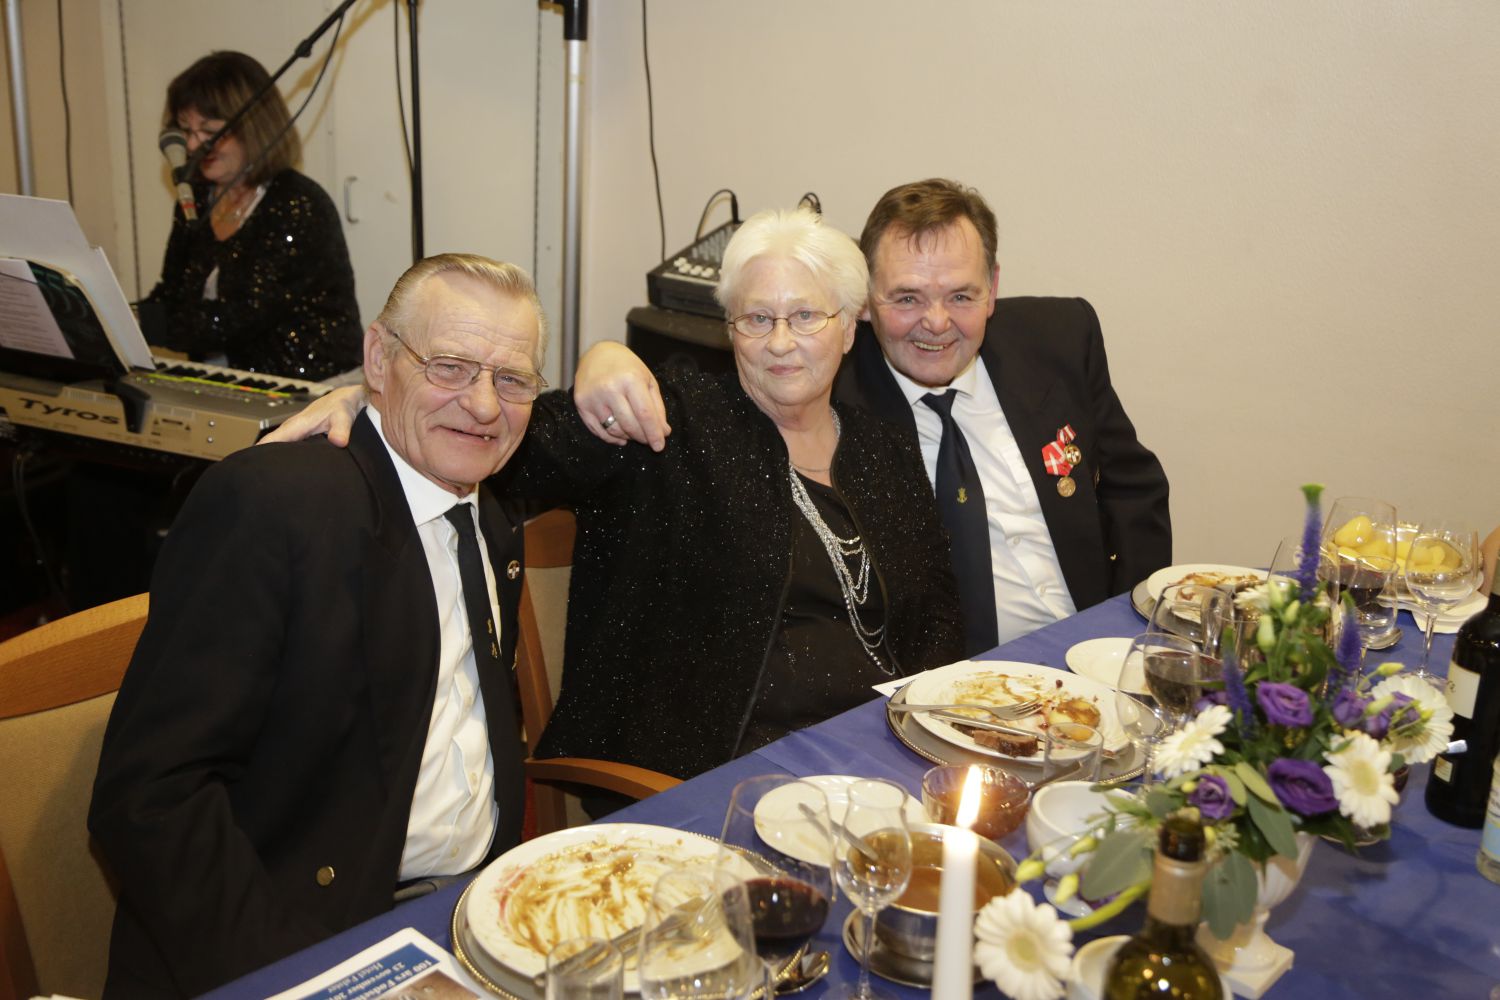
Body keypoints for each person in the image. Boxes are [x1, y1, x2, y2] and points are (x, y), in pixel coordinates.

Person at [264, 209, 965, 782]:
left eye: (805, 316)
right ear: (729, 330)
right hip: (717, 778)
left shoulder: (881, 447)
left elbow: (935, 622)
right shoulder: (669, 423)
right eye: (756, 318)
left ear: (849, 323)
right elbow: (507, 444)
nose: (779, 342)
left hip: (878, 753)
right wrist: (374, 401)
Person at [88, 254, 543, 996]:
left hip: (472, 914)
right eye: (451, 367)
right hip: (298, 941)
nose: (485, 405)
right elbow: (150, 795)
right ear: (379, 359)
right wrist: (304, 980)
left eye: (513, 379)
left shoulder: (485, 514)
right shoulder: (271, 506)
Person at [579, 179, 1171, 655]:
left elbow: (1134, 487)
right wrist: (604, 357)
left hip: (1099, 649)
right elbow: (721, 394)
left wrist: (1131, 633)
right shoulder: (825, 392)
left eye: (961, 296)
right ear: (862, 303)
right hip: (957, 689)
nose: (936, 322)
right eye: (907, 297)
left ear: (993, 287)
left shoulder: (1059, 339)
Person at [140, 50, 361, 380]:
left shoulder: (298, 204)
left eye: (210, 131)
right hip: (230, 384)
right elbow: (172, 293)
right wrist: (114, 317)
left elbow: (237, 317)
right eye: (186, 131)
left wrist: (142, 325)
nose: (194, 146)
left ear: (254, 127)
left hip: (312, 389)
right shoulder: (196, 196)